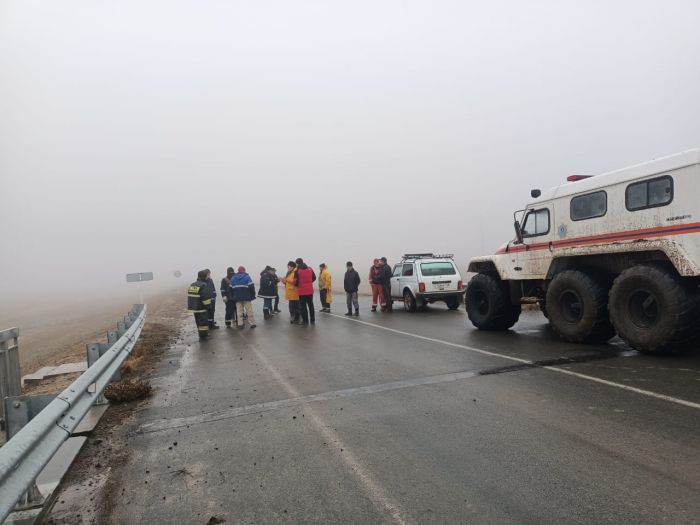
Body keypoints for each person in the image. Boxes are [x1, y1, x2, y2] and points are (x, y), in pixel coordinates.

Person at [188, 270, 213, 339]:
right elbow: (205, 298)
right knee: (203, 322)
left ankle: (200, 334)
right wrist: (209, 306)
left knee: (198, 321)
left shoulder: (192, 285)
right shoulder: (203, 285)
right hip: (201, 308)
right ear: (204, 277)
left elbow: (190, 296)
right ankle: (203, 336)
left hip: (194, 307)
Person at [294, 258, 316, 324]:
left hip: (302, 292)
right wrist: (309, 282)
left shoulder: (297, 271)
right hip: (310, 290)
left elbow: (295, 282)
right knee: (311, 305)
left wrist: (299, 285)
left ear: (297, 263)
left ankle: (305, 321)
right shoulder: (310, 269)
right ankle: (312, 319)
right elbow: (314, 277)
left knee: (303, 307)